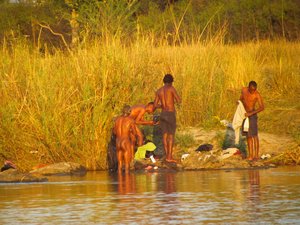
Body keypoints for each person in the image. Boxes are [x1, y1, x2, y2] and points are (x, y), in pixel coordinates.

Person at [154, 74, 181, 163]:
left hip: (163, 114)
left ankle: (166, 156)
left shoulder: (159, 91)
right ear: (171, 82)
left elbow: (155, 105)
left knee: (165, 135)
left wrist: (162, 105)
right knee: (171, 135)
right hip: (170, 114)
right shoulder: (171, 89)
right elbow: (178, 100)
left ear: (164, 81)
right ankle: (169, 156)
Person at [113, 105, 143, 173]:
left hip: (118, 141)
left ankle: (120, 182)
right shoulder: (130, 120)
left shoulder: (117, 119)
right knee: (127, 164)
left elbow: (114, 132)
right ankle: (127, 181)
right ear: (129, 112)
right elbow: (134, 132)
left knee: (120, 164)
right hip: (125, 140)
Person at [239, 81, 264, 160]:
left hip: (252, 115)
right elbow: (241, 99)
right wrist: (239, 103)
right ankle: (250, 155)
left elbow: (262, 107)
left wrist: (251, 113)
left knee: (254, 135)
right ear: (248, 87)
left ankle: (256, 155)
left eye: (254, 90)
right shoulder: (244, 90)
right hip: (245, 114)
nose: (253, 91)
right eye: (252, 90)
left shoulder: (257, 94)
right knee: (248, 135)